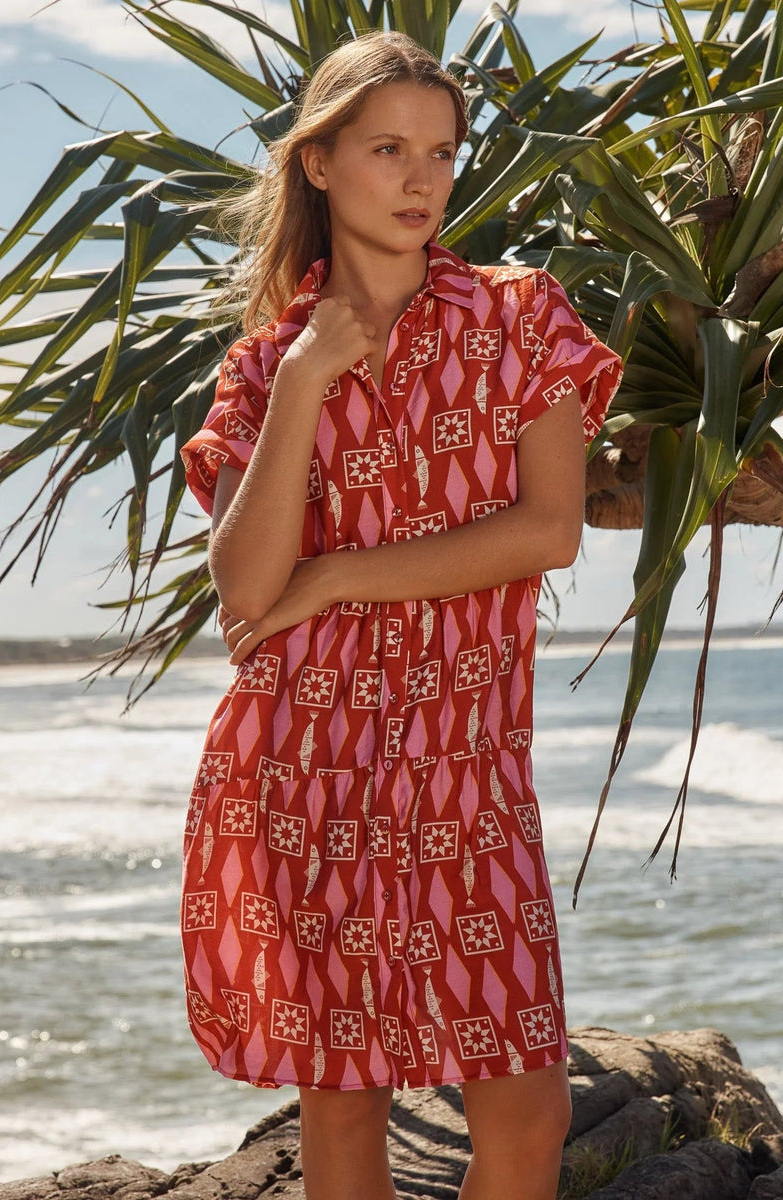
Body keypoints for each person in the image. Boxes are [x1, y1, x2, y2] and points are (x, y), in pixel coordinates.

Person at [179, 29, 622, 1200]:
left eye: (441, 149)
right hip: (305, 761)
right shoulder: (262, 366)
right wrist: (303, 379)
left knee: (525, 1117)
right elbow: (242, 587)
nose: (422, 178)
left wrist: (334, 577)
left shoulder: (522, 317)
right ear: (318, 164)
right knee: (341, 1118)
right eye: (387, 149)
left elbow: (546, 531)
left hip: (464, 762)